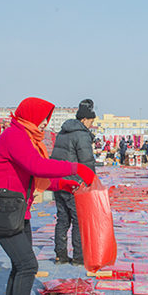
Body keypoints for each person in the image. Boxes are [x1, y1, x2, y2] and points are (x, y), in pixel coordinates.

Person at [0, 97, 95, 295]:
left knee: (18, 266)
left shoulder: (28, 138)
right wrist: (75, 167)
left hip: (17, 210)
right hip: (3, 209)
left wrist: (63, 183)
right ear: (31, 116)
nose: (45, 124)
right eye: (43, 119)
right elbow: (37, 166)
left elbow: (34, 175)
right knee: (27, 266)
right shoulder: (15, 135)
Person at [50, 99, 97, 266]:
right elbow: (87, 162)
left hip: (59, 181)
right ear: (84, 119)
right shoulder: (82, 135)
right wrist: (91, 183)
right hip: (74, 183)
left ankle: (60, 255)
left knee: (62, 219)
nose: (92, 125)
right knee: (79, 220)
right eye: (91, 121)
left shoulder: (62, 132)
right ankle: (78, 257)